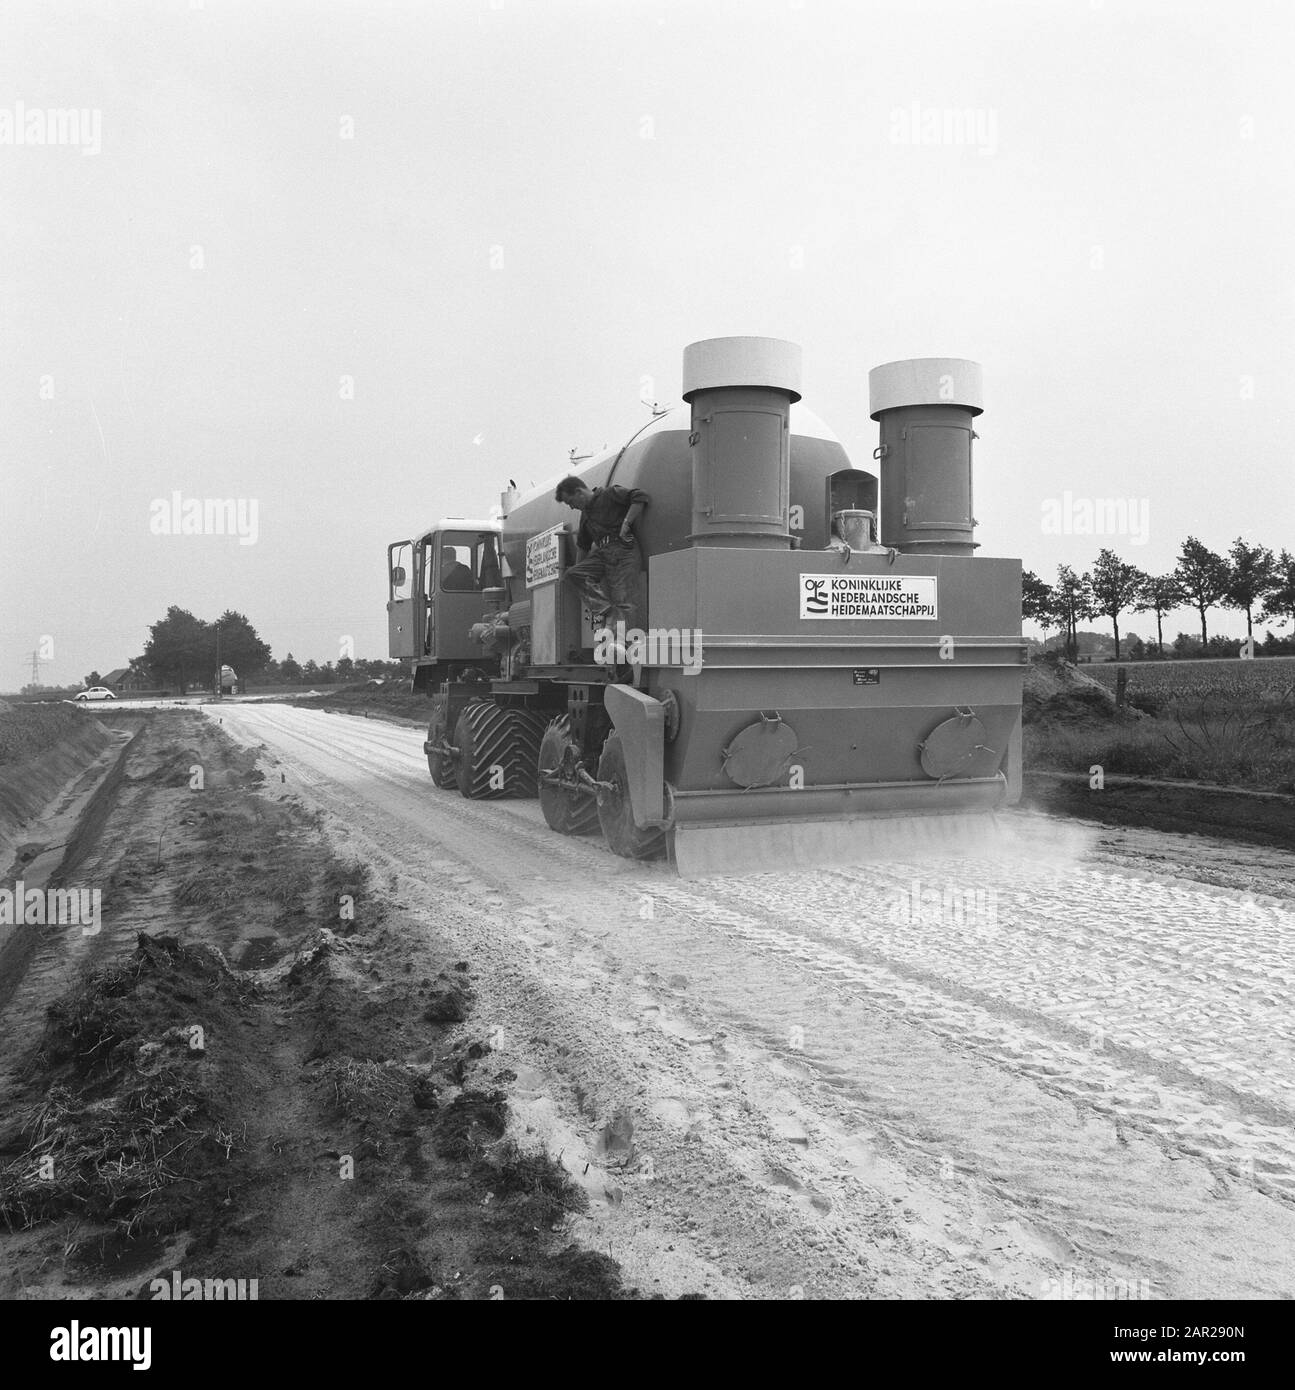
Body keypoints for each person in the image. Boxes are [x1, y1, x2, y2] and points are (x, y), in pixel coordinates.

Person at [554, 475, 649, 630]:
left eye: (571, 502)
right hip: (602, 554)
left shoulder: (610, 494)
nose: (572, 507)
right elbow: (583, 546)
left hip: (623, 551)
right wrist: (581, 572)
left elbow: (639, 496)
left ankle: (622, 642)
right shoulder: (585, 515)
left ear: (579, 492)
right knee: (573, 574)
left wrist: (626, 523)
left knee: (623, 599)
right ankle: (605, 609)